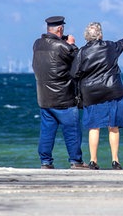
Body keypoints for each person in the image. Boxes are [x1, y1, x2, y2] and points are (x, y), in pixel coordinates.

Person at [70, 22, 123, 170]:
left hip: (91, 94)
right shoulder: (110, 46)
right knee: (113, 127)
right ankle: (115, 160)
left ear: (87, 35)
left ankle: (93, 160)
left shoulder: (82, 52)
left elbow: (74, 73)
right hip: (113, 91)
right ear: (100, 34)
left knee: (94, 127)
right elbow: (121, 44)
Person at [32, 16, 89, 169]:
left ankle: (45, 162)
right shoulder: (62, 47)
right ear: (60, 29)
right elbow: (79, 60)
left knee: (47, 132)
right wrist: (71, 44)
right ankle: (76, 161)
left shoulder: (37, 44)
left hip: (44, 97)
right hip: (63, 97)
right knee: (72, 132)